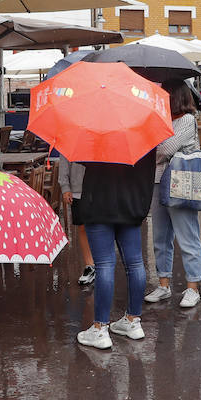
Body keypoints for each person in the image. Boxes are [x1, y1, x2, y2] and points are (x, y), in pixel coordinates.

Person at [75, 141, 157, 350]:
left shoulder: (98, 133)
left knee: (104, 265)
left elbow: (81, 158)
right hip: (132, 205)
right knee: (135, 263)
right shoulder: (144, 136)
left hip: (99, 204)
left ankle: (100, 329)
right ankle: (133, 321)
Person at [145, 82, 201, 309]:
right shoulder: (162, 120)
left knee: (187, 236)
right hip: (158, 181)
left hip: (182, 182)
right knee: (160, 236)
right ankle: (163, 284)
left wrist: (152, 144)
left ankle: (193, 287)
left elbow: (164, 149)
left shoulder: (187, 120)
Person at [58, 155, 94, 286]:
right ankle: (90, 265)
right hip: (78, 189)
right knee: (82, 226)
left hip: (100, 188)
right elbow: (64, 161)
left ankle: (102, 264)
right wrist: (65, 187)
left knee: (101, 227)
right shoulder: (69, 142)